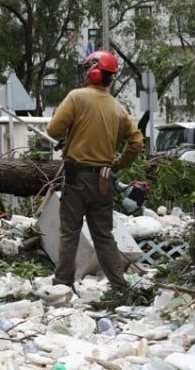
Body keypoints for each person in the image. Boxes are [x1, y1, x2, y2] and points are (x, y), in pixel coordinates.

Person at [47, 50, 144, 293]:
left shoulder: (76, 97)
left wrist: (69, 134)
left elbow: (53, 130)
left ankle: (63, 284)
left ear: (94, 71)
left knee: (70, 230)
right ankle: (120, 286)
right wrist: (118, 164)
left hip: (75, 173)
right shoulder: (118, 109)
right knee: (103, 235)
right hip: (104, 178)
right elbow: (137, 143)